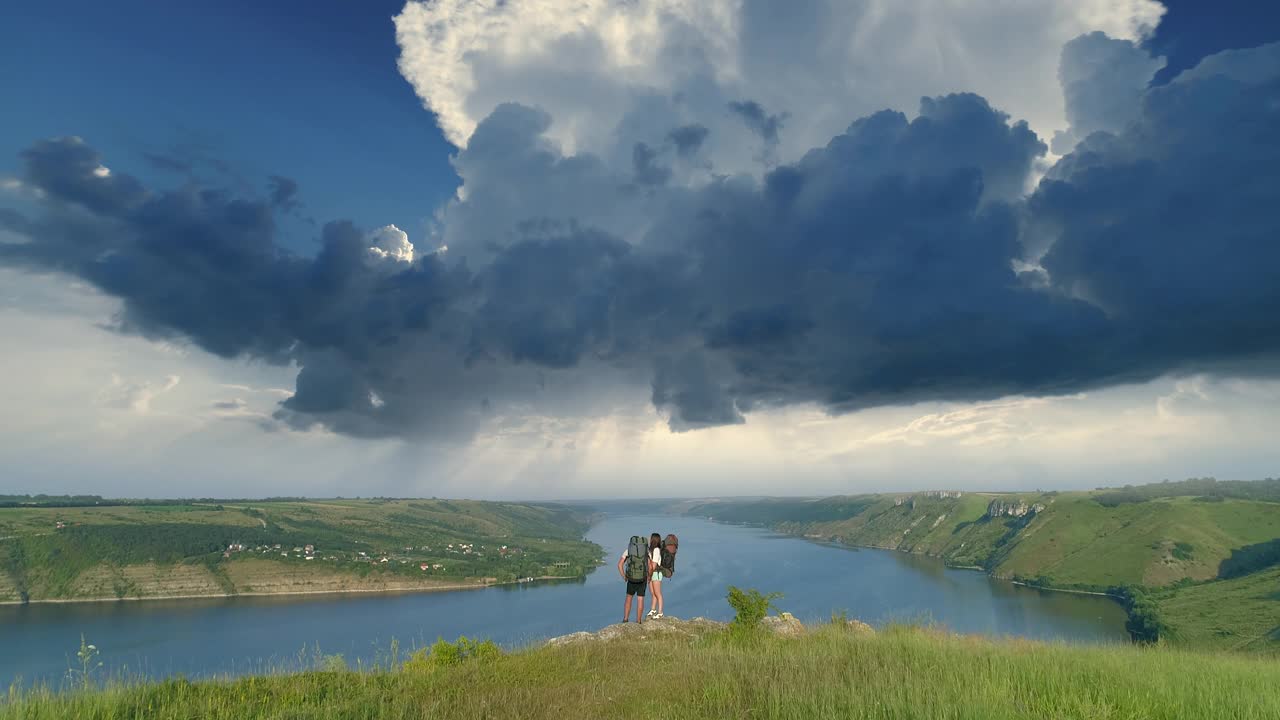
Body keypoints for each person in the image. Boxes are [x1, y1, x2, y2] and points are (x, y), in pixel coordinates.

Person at [617, 537, 649, 623]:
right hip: (642, 578)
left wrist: (624, 576)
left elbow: (619, 565)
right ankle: (638, 621)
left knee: (629, 598)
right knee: (640, 599)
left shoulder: (628, 550)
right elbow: (650, 565)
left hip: (631, 578)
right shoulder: (646, 550)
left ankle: (625, 619)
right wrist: (649, 575)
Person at [645, 532, 665, 619]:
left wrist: (649, 575)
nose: (649, 539)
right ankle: (653, 609)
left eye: (650, 538)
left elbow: (653, 565)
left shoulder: (656, 550)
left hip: (656, 573)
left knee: (658, 593)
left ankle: (660, 612)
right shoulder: (650, 550)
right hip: (651, 573)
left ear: (653, 539)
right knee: (653, 593)